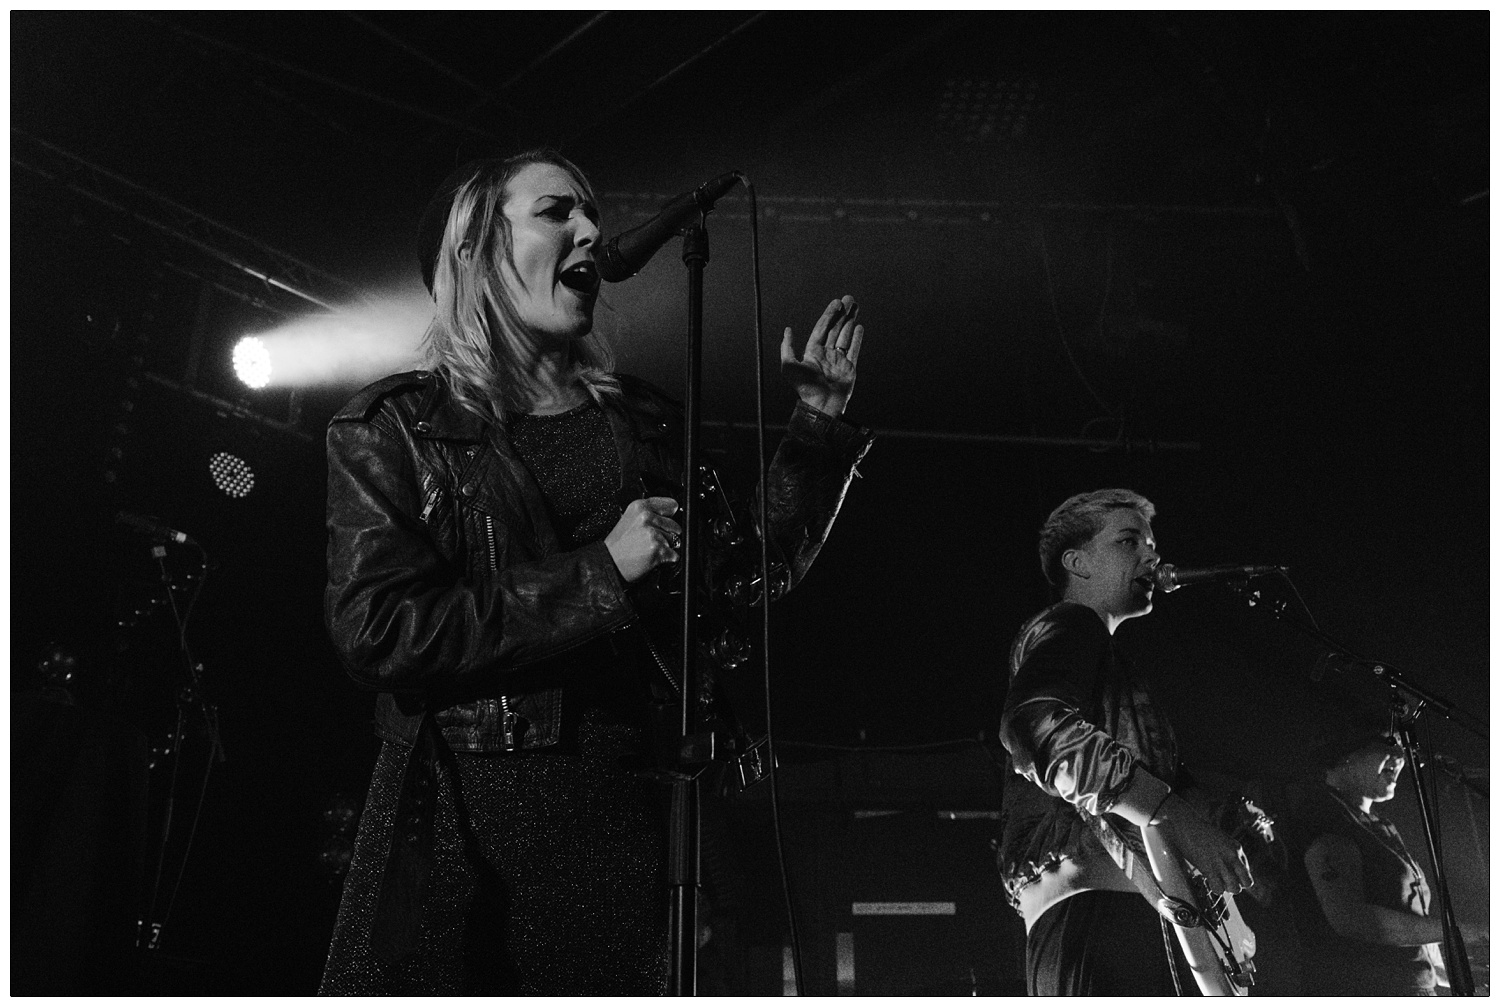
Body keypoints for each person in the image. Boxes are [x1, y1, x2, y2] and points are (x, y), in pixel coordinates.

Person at [317, 149, 874, 995]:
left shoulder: (645, 423)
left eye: (592, 215)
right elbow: (380, 632)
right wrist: (602, 572)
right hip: (461, 821)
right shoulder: (393, 429)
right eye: (556, 212)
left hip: (619, 821)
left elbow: (739, 583)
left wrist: (816, 425)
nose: (589, 231)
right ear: (474, 248)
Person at [996, 488, 1253, 995]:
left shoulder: (1109, 661)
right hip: (1099, 920)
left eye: (1152, 544)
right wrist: (1169, 813)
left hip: (1131, 914)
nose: (1151, 555)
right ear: (1077, 562)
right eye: (1128, 541)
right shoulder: (1071, 623)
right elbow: (1033, 723)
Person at [1277, 722, 1449, 994]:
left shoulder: (1381, 825)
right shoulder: (1325, 818)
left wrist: (1448, 974)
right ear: (1346, 755)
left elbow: (1415, 918)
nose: (1402, 758)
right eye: (1388, 746)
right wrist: (1460, 935)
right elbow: (1351, 918)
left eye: (1403, 750)